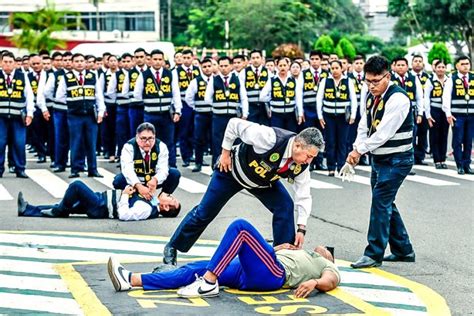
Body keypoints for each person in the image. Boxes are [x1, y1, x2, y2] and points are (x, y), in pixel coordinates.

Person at [162, 118, 324, 266]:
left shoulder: (302, 166)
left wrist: (301, 228)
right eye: (308, 156)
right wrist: (225, 154)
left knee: (285, 205)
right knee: (204, 213)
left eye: (312, 158)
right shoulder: (269, 137)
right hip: (232, 171)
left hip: (261, 182)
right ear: (297, 146)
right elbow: (233, 124)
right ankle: (172, 247)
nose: (309, 161)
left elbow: (303, 195)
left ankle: (284, 260)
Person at [109, 219, 339, 298]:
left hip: (275, 275)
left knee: (241, 227)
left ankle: (208, 284)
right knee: (195, 269)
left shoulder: (325, 263)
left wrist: (315, 283)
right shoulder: (300, 251)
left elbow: (330, 281)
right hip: (253, 269)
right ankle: (130, 279)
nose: (322, 247)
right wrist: (276, 248)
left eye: (326, 249)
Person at [344, 56, 415, 269]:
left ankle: (374, 253)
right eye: (367, 81)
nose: (371, 86)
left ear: (388, 76)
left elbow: (383, 133)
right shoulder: (370, 96)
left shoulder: (398, 99)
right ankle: (404, 249)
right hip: (380, 158)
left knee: (380, 202)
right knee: (385, 202)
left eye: (376, 81)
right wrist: (358, 146)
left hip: (398, 159)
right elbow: (364, 125)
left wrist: (359, 151)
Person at [17, 180, 180, 220]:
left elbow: (124, 215)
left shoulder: (146, 209)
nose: (168, 195)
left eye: (171, 198)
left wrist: (124, 194)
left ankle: (59, 212)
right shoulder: (150, 201)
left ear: (165, 207)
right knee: (67, 205)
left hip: (100, 206)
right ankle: (27, 209)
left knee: (76, 186)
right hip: (102, 200)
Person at [55, 53, 105, 178]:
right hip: (74, 115)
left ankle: (92, 169)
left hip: (90, 115)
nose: (79, 63)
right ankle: (75, 169)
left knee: (91, 143)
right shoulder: (66, 77)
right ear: (72, 63)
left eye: (82, 61)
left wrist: (100, 112)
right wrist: (73, 103)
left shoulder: (92, 76)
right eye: (76, 61)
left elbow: (99, 96)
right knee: (75, 142)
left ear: (85, 63)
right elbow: (60, 96)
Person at [133, 49, 182, 168]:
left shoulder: (170, 74)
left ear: (163, 60)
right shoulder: (144, 75)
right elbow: (137, 94)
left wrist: (178, 111)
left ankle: (171, 166)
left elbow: (176, 93)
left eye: (160, 59)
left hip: (166, 114)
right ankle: (152, 166)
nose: (157, 62)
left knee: (169, 141)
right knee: (150, 141)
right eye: (155, 59)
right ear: (150, 60)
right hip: (150, 114)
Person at [113, 122, 181, 200]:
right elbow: (127, 170)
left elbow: (163, 169)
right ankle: (133, 197)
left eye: (150, 138)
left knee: (174, 174)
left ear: (154, 137)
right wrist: (138, 186)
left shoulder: (161, 146)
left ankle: (162, 199)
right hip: (136, 180)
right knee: (118, 180)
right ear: (137, 137)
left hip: (152, 180)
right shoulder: (129, 147)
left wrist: (155, 180)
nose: (147, 142)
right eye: (143, 138)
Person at [204, 56, 249, 166]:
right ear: (218, 67)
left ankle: (236, 165)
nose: (224, 68)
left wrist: (245, 113)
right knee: (217, 142)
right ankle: (216, 165)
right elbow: (207, 98)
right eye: (221, 66)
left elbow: (243, 98)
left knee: (236, 141)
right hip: (218, 116)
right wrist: (218, 106)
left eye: (226, 65)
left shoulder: (237, 79)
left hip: (234, 117)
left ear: (231, 66)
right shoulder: (214, 80)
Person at [317, 60, 357, 176]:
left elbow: (353, 99)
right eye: (332, 68)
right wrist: (320, 116)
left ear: (341, 69)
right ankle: (331, 167)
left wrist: (353, 115)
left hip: (343, 117)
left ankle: (340, 166)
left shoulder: (348, 81)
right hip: (328, 116)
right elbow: (319, 99)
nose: (334, 70)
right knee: (330, 142)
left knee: (342, 142)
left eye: (336, 68)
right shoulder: (325, 81)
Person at [0, 51, 35, 178]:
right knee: (0, 143)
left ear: (14, 64)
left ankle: (20, 168)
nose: (8, 65)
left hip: (18, 117)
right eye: (5, 62)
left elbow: (29, 96)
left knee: (19, 143)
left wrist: (30, 113)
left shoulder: (22, 76)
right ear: (1, 63)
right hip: (1, 117)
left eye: (10, 62)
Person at [442, 56, 473, 175]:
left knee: (468, 141)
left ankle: (467, 164)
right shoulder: (452, 79)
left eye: (467, 63)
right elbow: (446, 97)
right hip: (457, 116)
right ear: (457, 66)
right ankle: (459, 165)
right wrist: (448, 114)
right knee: (457, 140)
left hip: (471, 116)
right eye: (463, 64)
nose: (466, 66)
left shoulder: (473, 78)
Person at [300, 50, 329, 171]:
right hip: (308, 108)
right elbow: (299, 93)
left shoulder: (326, 74)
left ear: (321, 61)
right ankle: (309, 161)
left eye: (317, 59)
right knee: (309, 135)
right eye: (312, 59)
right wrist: (300, 111)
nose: (315, 61)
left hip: (322, 109)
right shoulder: (304, 73)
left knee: (321, 136)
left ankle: (320, 160)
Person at [259, 57, 303, 132]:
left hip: (291, 114)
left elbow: (298, 99)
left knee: (291, 135)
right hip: (276, 115)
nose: (283, 68)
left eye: (284, 65)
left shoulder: (293, 80)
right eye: (280, 65)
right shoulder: (272, 80)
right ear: (277, 67)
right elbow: (262, 97)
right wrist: (271, 97)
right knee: (277, 136)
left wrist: (300, 114)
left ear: (288, 66)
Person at [185, 58, 213, 172]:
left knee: (214, 140)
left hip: (214, 114)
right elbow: (188, 98)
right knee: (198, 139)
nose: (207, 68)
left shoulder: (216, 80)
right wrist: (196, 107)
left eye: (209, 66)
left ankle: (215, 163)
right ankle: (198, 162)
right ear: (201, 68)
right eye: (204, 66)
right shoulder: (196, 81)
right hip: (200, 114)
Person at [173, 49, 201, 167]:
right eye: (184, 58)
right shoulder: (176, 71)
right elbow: (175, 89)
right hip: (184, 103)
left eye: (188, 58)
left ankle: (196, 155)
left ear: (192, 58)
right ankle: (186, 156)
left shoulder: (197, 70)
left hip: (197, 103)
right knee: (184, 131)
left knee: (195, 131)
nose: (186, 60)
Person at [424, 60, 449, 169]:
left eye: (443, 67)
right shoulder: (430, 81)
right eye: (439, 67)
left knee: (444, 135)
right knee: (435, 136)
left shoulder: (449, 80)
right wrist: (428, 115)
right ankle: (437, 160)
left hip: (445, 112)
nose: (441, 69)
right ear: (435, 68)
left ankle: (443, 159)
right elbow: (426, 99)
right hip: (434, 111)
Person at [239, 50, 270, 125]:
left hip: (264, 107)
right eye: (253, 58)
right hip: (250, 106)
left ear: (262, 59)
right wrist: (245, 111)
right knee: (251, 130)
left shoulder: (268, 72)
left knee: (264, 130)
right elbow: (242, 93)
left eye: (257, 57)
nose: (255, 60)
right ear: (250, 59)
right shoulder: (244, 72)